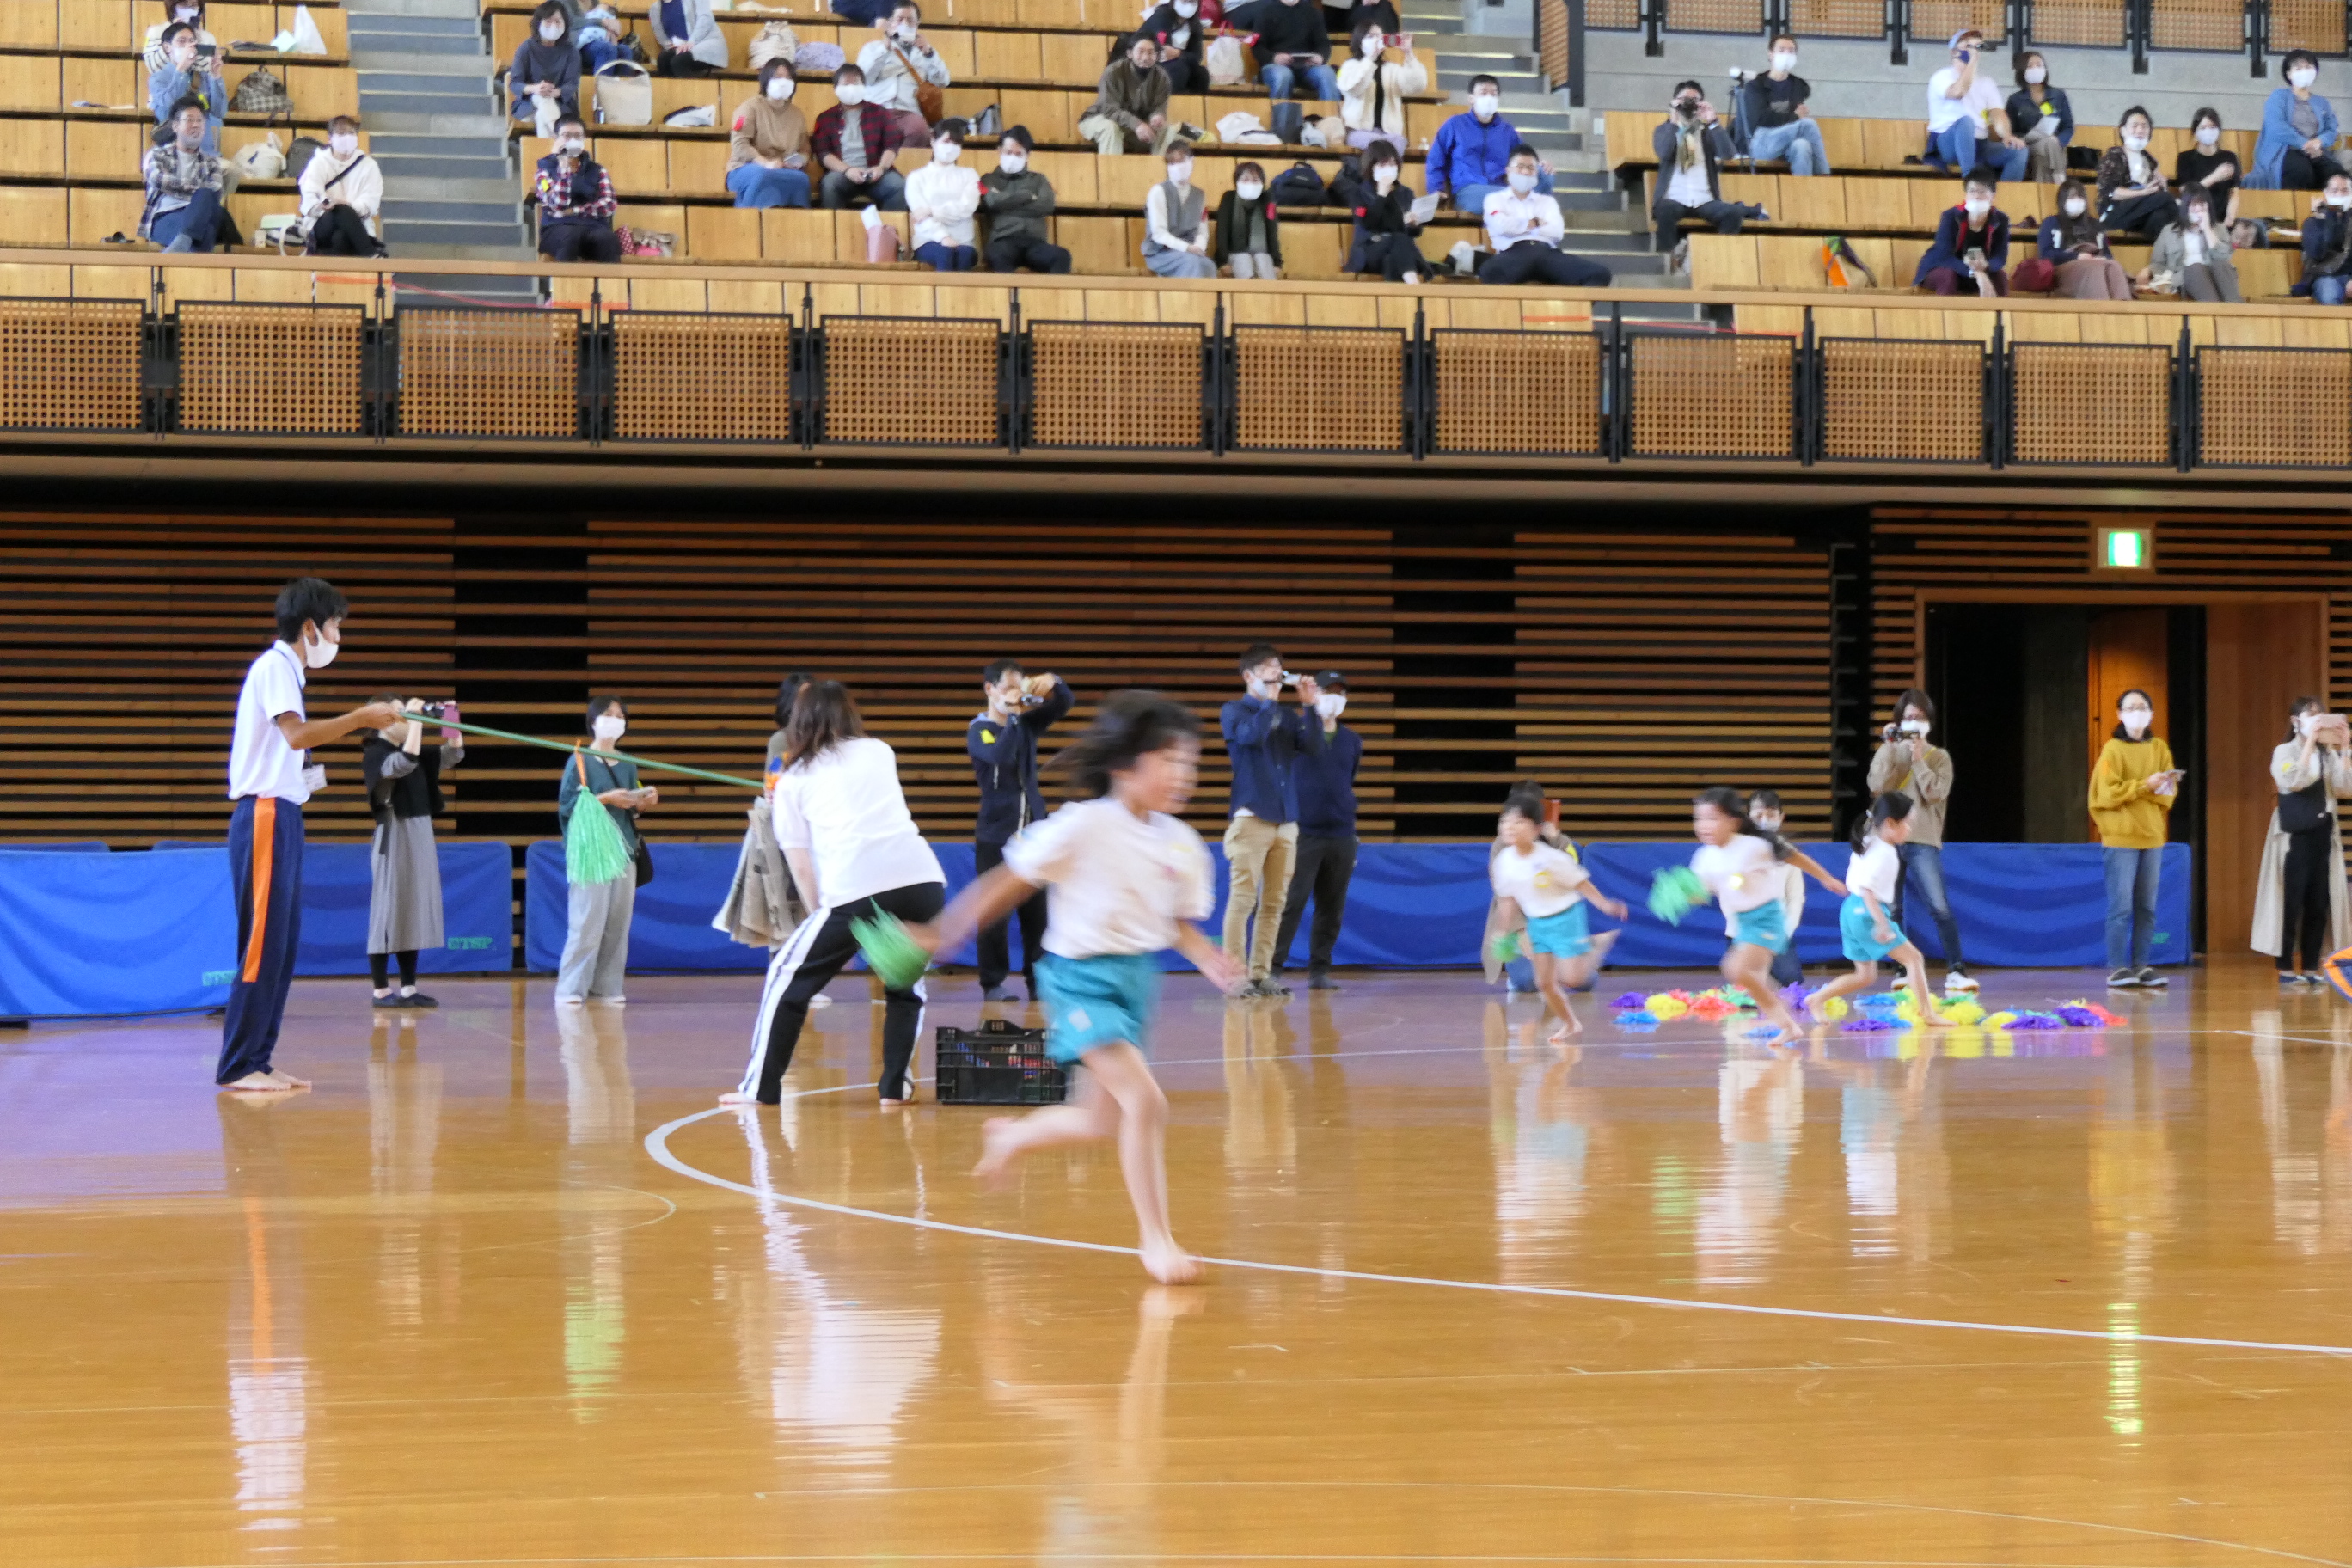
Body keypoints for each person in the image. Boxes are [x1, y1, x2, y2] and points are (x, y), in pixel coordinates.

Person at [909, 690, 1242, 1286]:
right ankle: (1157, 1241)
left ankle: (1012, 1138)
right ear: (1125, 765)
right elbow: (1008, 881)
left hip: (1135, 981)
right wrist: (946, 931)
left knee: (1097, 1122)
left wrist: (1207, 957)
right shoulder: (1082, 825)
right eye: (1169, 760)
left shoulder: (1181, 844)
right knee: (1147, 1102)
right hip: (1078, 981)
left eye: (1190, 763)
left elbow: (1174, 922)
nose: (1183, 775)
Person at [219, 580, 403, 1093]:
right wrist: (363, 718)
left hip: (284, 815)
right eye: (335, 625)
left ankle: (258, 1058)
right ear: (310, 627)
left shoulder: (289, 674)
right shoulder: (276, 666)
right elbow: (297, 735)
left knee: (280, 945)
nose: (338, 636)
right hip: (264, 814)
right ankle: (239, 1063)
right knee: (262, 943)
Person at [727, 680, 946, 1106]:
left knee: (785, 979)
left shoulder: (792, 780)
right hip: (922, 881)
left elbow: (800, 862)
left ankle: (759, 1088)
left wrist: (821, 917)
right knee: (905, 985)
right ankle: (895, 1088)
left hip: (856, 889)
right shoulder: (880, 751)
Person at [1688, 787, 1843, 1049]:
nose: (1704, 825)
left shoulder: (1754, 846)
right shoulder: (1703, 857)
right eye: (1699, 818)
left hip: (1766, 918)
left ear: (1733, 821)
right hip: (1741, 923)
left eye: (1712, 818)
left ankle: (1779, 1002)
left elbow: (1795, 856)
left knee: (1736, 969)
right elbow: (1703, 892)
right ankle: (1788, 1025)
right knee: (1748, 978)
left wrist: (1826, 878)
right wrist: (1685, 894)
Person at [1220, 644, 1324, 998]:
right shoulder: (1234, 710)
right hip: (1251, 816)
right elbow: (1250, 737)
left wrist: (1310, 706)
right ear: (1249, 676)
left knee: (1275, 902)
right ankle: (1235, 977)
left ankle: (1262, 974)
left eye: (1279, 668)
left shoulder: (1285, 714)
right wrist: (1270, 701)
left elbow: (1313, 748)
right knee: (1243, 899)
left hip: (1286, 819)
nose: (1276, 674)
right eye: (1268, 669)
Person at [968, 659, 1075, 1001]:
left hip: (1034, 836)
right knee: (994, 913)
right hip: (995, 836)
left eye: (1019, 687)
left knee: (1037, 915)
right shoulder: (980, 730)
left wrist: (1053, 680)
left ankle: (1038, 981)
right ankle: (993, 983)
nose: (1015, 695)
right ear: (990, 689)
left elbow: (1064, 703)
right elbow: (1000, 755)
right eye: (1007, 688)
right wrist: (1014, 715)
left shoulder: (1026, 725)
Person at [1800, 795, 1951, 1030]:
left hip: (1850, 910)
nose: (1910, 829)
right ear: (1890, 823)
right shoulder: (1885, 853)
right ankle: (1928, 1013)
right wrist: (1881, 922)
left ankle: (1817, 999)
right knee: (1914, 959)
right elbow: (1867, 890)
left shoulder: (1868, 840)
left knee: (1865, 975)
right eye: (1907, 823)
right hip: (1866, 911)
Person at [1490, 793, 1629, 1044]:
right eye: (1505, 821)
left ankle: (1594, 946)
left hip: (1566, 918)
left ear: (1536, 829)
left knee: (1573, 980)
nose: (1509, 827)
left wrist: (1604, 905)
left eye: (1518, 822)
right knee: (1544, 983)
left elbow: (1581, 883)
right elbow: (1507, 900)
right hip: (1538, 923)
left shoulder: (1550, 858)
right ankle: (1570, 1023)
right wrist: (1503, 931)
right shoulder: (1504, 861)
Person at [1865, 691, 1974, 992]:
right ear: (1899, 721)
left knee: (1939, 906)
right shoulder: (1888, 751)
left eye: (1921, 717)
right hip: (1888, 842)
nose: (1914, 722)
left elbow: (1936, 794)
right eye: (1909, 717)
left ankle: (1957, 970)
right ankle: (1900, 970)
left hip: (1923, 839)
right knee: (1893, 908)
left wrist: (1918, 760)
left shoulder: (1939, 757)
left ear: (1929, 722)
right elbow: (1878, 787)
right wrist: (1892, 749)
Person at [361, 698, 461, 1011]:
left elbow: (453, 753)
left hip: (419, 830)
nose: (405, 719)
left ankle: (408, 987)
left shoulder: (416, 749)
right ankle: (380, 990)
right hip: (394, 832)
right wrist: (416, 720)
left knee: (412, 907)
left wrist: (451, 716)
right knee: (387, 908)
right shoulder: (376, 753)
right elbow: (404, 763)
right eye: (400, 712)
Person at [556, 696, 655, 1006]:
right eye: (608, 714)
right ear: (593, 720)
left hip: (624, 850)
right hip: (592, 853)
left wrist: (642, 801)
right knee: (587, 921)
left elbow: (631, 807)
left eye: (620, 715)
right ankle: (571, 988)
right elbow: (568, 807)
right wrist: (605, 798)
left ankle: (607, 988)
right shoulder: (579, 760)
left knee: (617, 924)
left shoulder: (627, 763)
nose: (615, 719)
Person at [1271, 671, 1359, 992]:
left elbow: (1347, 780)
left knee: (1332, 907)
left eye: (1339, 692)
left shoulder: (1352, 741)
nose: (1334, 697)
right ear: (1314, 693)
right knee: (1291, 903)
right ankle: (1272, 969)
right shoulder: (1297, 733)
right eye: (1327, 690)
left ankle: (1319, 970)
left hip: (1342, 835)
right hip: (1304, 832)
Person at [2256, 698, 2352, 987]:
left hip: (2323, 834)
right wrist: (2310, 743)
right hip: (2294, 836)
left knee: (2318, 902)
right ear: (2295, 720)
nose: (2317, 721)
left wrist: (2345, 748)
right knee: (2291, 901)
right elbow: (2294, 780)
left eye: (2320, 715)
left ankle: (2311, 967)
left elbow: (2344, 788)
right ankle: (2286, 969)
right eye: (2311, 715)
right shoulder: (2284, 751)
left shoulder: (2327, 753)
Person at [2090, 688, 2180, 988]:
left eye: (2143, 707)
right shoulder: (2113, 750)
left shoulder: (2160, 748)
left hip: (2152, 837)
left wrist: (2150, 787)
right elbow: (2106, 793)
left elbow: (2168, 792)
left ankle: (2142, 965)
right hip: (2120, 838)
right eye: (2130, 708)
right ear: (2119, 714)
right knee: (2121, 907)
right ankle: (2118, 967)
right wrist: (2144, 786)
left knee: (2147, 907)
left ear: (2152, 713)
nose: (2137, 713)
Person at [1652, 81, 1767, 260]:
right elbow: (1664, 153)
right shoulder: (1663, 130)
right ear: (1674, 101)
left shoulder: (1707, 132)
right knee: (1664, 210)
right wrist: (1674, 121)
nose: (1689, 104)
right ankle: (1667, 261)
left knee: (1733, 213)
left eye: (1694, 100)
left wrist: (1713, 122)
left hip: (1704, 199)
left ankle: (1720, 258)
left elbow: (1728, 154)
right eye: (1684, 99)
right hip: (1673, 197)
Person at [1480, 145, 1611, 286]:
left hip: (1547, 253)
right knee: (1489, 271)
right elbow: (1502, 227)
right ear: (1508, 171)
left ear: (1537, 172)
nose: (1525, 172)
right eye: (1520, 167)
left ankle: (1571, 303)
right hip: (1512, 253)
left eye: (1531, 168)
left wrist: (1519, 226)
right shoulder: (1494, 199)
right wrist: (1536, 223)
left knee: (1599, 274)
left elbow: (1557, 232)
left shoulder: (1547, 201)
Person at [1429, 77, 1552, 213]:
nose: (1489, 98)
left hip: (1502, 187)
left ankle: (1528, 208)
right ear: (1471, 98)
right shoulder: (1455, 125)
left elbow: (1523, 158)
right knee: (1506, 199)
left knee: (1545, 174)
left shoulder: (1507, 131)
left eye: (1493, 94)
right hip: (1469, 189)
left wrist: (1538, 164)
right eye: (1483, 93)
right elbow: (1435, 160)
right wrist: (1436, 189)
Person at [1925, 28, 2027, 185]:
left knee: (2018, 151)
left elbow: (1997, 113)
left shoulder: (1986, 82)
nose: (1972, 49)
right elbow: (1958, 92)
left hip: (1979, 143)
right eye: (1967, 45)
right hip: (1948, 142)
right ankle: (1970, 181)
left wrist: (2006, 135)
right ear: (1954, 52)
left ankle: (2005, 195)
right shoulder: (1942, 76)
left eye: (1976, 46)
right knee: (1966, 122)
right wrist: (1972, 62)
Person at [812, 64, 909, 210]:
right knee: (830, 185)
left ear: (864, 87)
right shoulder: (825, 118)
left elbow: (892, 144)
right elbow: (823, 153)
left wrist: (881, 168)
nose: (851, 88)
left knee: (898, 186)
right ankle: (835, 225)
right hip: (843, 174)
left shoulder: (880, 113)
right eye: (846, 84)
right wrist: (847, 170)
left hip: (876, 173)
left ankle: (889, 224)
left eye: (856, 83)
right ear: (835, 89)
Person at [858, 1, 950, 146]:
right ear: (891, 23)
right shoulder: (873, 48)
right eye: (900, 19)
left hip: (908, 111)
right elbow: (864, 78)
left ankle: (899, 161)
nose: (905, 24)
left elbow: (943, 81)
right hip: (877, 108)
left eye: (910, 20)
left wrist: (928, 53)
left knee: (920, 131)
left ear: (917, 24)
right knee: (870, 133)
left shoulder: (924, 52)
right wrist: (885, 48)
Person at [141, 98, 226, 253]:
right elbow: (159, 180)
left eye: (200, 121)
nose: (196, 125)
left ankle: (181, 244)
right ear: (175, 126)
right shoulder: (158, 154)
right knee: (207, 231)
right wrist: (197, 193)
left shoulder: (211, 162)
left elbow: (216, 189)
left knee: (206, 195)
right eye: (189, 120)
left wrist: (193, 195)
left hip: (201, 213)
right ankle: (186, 242)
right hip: (166, 216)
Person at [981, 126, 1071, 273]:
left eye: (1018, 154)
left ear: (1027, 155)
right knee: (998, 255)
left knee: (1062, 256)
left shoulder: (1039, 179)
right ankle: (1008, 289)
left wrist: (1006, 206)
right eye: (1008, 152)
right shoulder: (987, 179)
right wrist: (1027, 195)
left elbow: (1047, 205)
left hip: (1035, 243)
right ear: (999, 151)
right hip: (1003, 241)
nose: (1012, 157)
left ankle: (1052, 289)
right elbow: (992, 202)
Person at [727, 58, 812, 209]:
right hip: (745, 168)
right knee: (763, 176)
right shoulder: (750, 107)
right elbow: (740, 144)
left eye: (788, 78)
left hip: (783, 169)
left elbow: (804, 149)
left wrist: (799, 161)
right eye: (777, 77)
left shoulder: (797, 115)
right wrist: (766, 163)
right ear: (766, 80)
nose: (783, 82)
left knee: (802, 180)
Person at [534, 117, 622, 261]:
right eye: (567, 135)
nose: (572, 140)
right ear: (556, 138)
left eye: (578, 136)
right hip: (557, 227)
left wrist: (575, 211)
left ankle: (610, 277)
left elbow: (609, 204)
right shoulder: (544, 171)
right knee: (570, 237)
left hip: (592, 225)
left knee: (608, 239)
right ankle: (564, 277)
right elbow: (558, 204)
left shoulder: (597, 170)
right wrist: (563, 168)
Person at [1741, 34, 1829, 176]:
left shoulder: (1798, 85)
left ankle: (1802, 188)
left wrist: (1793, 118)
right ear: (1771, 54)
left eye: (1791, 51)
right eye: (1781, 50)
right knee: (1808, 125)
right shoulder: (1755, 86)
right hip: (1761, 140)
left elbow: (1791, 116)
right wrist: (1794, 117)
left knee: (1802, 146)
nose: (1787, 55)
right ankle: (1824, 177)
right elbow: (1761, 118)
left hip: (1788, 140)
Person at [2254, 50, 2342, 191]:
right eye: (2298, 68)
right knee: (2301, 172)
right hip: (2286, 150)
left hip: (2316, 151)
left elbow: (2332, 129)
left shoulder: (2322, 102)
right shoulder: (2279, 97)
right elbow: (2277, 128)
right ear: (2289, 74)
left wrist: (2319, 142)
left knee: (2337, 174)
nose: (2304, 72)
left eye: (2308, 67)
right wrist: (2305, 144)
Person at [1080, 34, 1179, 157]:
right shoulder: (1113, 72)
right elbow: (1109, 109)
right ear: (1130, 54)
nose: (1145, 58)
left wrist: (1157, 116)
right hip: (1101, 118)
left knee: (1168, 131)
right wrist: (1137, 124)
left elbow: (1160, 107)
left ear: (1157, 56)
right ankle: (1111, 169)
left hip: (1135, 126)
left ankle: (1158, 167)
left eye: (1151, 53)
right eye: (1140, 52)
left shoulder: (1162, 77)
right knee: (1110, 128)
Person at [299, 116, 384, 257]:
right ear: (330, 139)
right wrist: (324, 206)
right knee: (340, 210)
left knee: (340, 237)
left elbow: (371, 204)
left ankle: (336, 264)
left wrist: (347, 206)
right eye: (341, 134)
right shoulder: (318, 163)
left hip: (357, 225)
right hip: (322, 223)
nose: (347, 138)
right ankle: (370, 254)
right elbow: (309, 201)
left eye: (351, 133)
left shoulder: (369, 165)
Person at [1745, 788, 1804, 989]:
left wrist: (1785, 933)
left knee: (1791, 980)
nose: (1764, 820)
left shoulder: (1789, 853)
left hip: (1778, 931)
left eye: (1771, 815)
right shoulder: (1739, 850)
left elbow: (1795, 898)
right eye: (1758, 815)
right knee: (1748, 988)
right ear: (1749, 817)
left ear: (1781, 817)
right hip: (1746, 933)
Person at [1914, 173, 2008, 297]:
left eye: (1982, 192)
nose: (1976, 196)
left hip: (1977, 270)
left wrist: (1986, 266)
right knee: (1948, 276)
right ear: (1966, 194)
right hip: (1943, 268)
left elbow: (2000, 257)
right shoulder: (1950, 216)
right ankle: (1944, 308)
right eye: (1972, 191)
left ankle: (1998, 309)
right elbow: (1944, 256)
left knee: (2000, 277)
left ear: (1993, 196)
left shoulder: (2001, 219)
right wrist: (1976, 273)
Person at [2141, 187, 2240, 303]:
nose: (2198, 210)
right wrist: (2149, 270)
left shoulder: (2219, 229)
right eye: (2193, 205)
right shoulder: (2169, 232)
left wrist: (2207, 228)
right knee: (2196, 268)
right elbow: (2158, 263)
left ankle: (2235, 307)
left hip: (2216, 275)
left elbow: (2224, 257)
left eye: (2202, 205)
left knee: (2221, 265)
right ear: (2185, 208)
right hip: (2184, 277)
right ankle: (2214, 308)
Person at [2035, 179, 2129, 300]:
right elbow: (2045, 255)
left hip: (2094, 263)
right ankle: (2099, 307)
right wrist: (2077, 256)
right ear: (2062, 200)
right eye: (2072, 198)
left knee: (2114, 266)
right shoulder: (2051, 223)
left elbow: (2108, 255)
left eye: (2080, 198)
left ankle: (2123, 307)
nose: (2077, 201)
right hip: (2064, 268)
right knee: (2094, 268)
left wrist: (2101, 258)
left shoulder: (2095, 225)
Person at [1346, 140, 1426, 282]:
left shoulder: (1405, 193)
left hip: (1399, 251)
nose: (1388, 169)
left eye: (1392, 164)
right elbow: (1367, 223)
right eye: (1383, 164)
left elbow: (1415, 232)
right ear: (1371, 167)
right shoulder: (1358, 193)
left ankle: (1407, 291)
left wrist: (1413, 224)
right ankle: (1414, 284)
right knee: (1398, 239)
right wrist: (1381, 195)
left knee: (1391, 260)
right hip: (1370, 248)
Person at [1337, 21, 1424, 151]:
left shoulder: (1391, 69)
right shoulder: (1350, 66)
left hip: (1388, 133)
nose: (1376, 40)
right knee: (1378, 144)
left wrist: (1408, 53)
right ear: (1360, 41)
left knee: (1399, 141)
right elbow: (1352, 89)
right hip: (1357, 131)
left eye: (1379, 36)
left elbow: (1418, 85)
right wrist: (1371, 58)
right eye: (1371, 36)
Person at [906, 118, 981, 269]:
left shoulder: (971, 175)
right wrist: (943, 237)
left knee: (965, 256)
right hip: (928, 240)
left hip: (964, 241)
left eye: (956, 143)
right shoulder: (916, 177)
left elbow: (967, 208)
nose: (951, 147)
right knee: (945, 253)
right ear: (933, 141)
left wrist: (932, 211)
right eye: (946, 141)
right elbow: (920, 217)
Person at [2098, 107, 2180, 242]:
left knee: (2160, 217)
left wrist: (2161, 185)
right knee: (2166, 198)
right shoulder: (2114, 157)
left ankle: (2163, 254)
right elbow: (2110, 193)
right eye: (2135, 126)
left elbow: (2153, 194)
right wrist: (2144, 192)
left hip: (2141, 215)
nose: (2140, 130)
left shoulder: (2149, 160)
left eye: (2144, 126)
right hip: (2115, 212)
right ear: (2123, 130)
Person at [1142, 140, 1218, 278]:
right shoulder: (1158, 192)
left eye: (1181, 161)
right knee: (1191, 263)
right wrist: (1187, 248)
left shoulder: (1199, 195)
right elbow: (1158, 233)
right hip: (1160, 252)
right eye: (1172, 163)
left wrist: (1199, 247)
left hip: (1191, 251)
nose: (1177, 166)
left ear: (1192, 162)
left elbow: (1202, 231)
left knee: (1209, 266)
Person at [150, 23, 226, 157]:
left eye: (191, 41)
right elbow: (171, 105)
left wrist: (215, 76)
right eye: (181, 41)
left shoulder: (202, 77)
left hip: (205, 152)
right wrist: (181, 69)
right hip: (172, 153)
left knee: (228, 168)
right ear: (167, 47)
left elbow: (219, 111)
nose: (188, 46)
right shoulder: (158, 78)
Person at [1246, 0, 1339, 105]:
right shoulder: (1265, 12)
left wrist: (1320, 57)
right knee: (1283, 76)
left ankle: (1331, 115)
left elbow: (1323, 44)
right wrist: (1274, 58)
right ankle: (1281, 115)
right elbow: (1257, 47)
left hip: (1307, 67)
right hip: (1276, 66)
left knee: (1327, 74)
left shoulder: (1313, 13)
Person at [511, 1, 580, 135]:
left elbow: (572, 83)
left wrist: (557, 92)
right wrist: (535, 89)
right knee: (541, 97)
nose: (553, 26)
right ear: (538, 24)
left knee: (541, 115)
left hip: (562, 104)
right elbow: (515, 84)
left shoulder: (571, 51)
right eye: (548, 22)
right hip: (529, 104)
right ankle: (558, 131)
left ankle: (556, 136)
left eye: (558, 22)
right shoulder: (526, 48)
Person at [2006, 52, 2073, 183]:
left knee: (2046, 149)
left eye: (2039, 65)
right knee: (2046, 146)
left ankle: (2043, 188)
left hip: (2053, 145)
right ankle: (2060, 182)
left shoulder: (2058, 95)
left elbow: (2068, 126)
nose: (2035, 68)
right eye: (2030, 66)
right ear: (2022, 71)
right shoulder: (2015, 100)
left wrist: (2059, 139)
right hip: (2027, 146)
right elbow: (2010, 131)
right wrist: (2022, 139)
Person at [1211, 162, 1282, 279]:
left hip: (1262, 253)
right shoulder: (1229, 198)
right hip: (1235, 253)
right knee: (1243, 258)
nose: (1250, 184)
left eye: (1255, 180)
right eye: (1245, 180)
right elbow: (1222, 231)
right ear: (1237, 182)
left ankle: (1268, 288)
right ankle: (1249, 288)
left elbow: (1272, 232)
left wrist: (1277, 262)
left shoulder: (1267, 199)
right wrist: (1223, 262)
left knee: (1262, 258)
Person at [2176, 107, 2241, 228]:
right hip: (2194, 218)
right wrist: (2215, 177)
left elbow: (2234, 193)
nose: (2208, 131)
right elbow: (2186, 193)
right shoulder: (2185, 158)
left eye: (2212, 127)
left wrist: (2230, 218)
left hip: (2223, 219)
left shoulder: (2230, 157)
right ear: (2195, 133)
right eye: (2203, 127)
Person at [2300, 171, 2352, 303]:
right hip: (2326, 275)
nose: (2339, 195)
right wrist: (2320, 220)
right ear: (2326, 193)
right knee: (2330, 295)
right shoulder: (2312, 222)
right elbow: (2316, 254)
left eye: (2345, 190)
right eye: (2334, 191)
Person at [1141, 0, 1210, 92]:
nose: (1188, 4)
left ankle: (1193, 100)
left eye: (1192, 1)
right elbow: (1164, 51)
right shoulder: (1162, 16)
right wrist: (1180, 55)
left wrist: (1179, 53)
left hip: (1175, 62)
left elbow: (1197, 57)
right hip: (1146, 62)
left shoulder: (1195, 25)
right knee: (1179, 69)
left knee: (1201, 74)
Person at [649, 0, 728, 77]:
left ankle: (693, 86)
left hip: (705, 42)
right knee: (663, 59)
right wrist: (672, 45)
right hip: (681, 47)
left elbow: (706, 18)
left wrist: (692, 41)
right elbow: (661, 36)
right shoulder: (655, 8)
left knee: (679, 61)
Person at [144, 1, 215, 71]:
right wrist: (173, 34)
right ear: (173, 7)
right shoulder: (155, 32)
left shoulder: (208, 37)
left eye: (194, 5)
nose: (189, 9)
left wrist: (197, 40)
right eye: (184, 4)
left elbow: (207, 68)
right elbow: (152, 66)